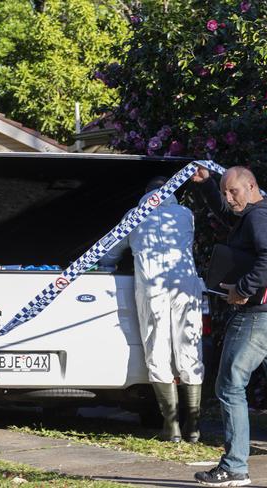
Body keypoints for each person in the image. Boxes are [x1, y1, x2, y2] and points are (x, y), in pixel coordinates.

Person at [191, 166, 267, 488]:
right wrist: (207, 186)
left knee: (229, 386)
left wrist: (243, 290)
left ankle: (234, 468)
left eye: (233, 191)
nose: (229, 199)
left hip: (260, 317)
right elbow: (232, 216)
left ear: (251, 186)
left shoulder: (260, 218)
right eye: (224, 193)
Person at [100, 176, 205, 443]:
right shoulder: (186, 214)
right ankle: (193, 426)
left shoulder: (135, 215)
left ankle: (171, 428)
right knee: (189, 347)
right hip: (186, 285)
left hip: (151, 287)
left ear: (145, 194)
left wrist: (106, 265)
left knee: (157, 347)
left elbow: (111, 252)